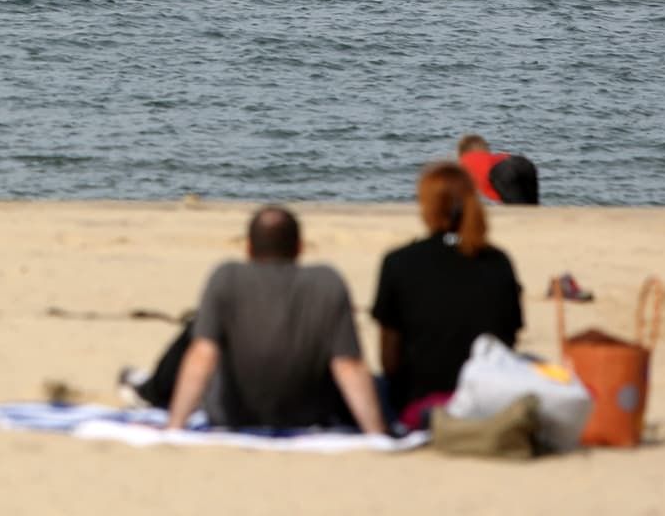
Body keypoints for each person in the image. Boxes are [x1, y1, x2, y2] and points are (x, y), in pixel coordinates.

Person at [120, 206, 387, 434]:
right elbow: (348, 365)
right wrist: (377, 433)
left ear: (248, 247)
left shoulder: (227, 278)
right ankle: (151, 389)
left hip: (234, 415)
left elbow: (203, 355)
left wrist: (174, 427)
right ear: (300, 247)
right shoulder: (328, 282)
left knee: (198, 328)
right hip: (309, 415)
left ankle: (151, 391)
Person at [372, 162, 524, 428]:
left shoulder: (399, 262)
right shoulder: (499, 261)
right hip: (487, 402)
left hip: (422, 406)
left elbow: (389, 362)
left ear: (426, 208)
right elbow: (508, 342)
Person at [456, 134, 540, 205]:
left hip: (503, 171)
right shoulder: (493, 157)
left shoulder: (464, 161)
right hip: (524, 163)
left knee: (517, 210)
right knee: (532, 208)